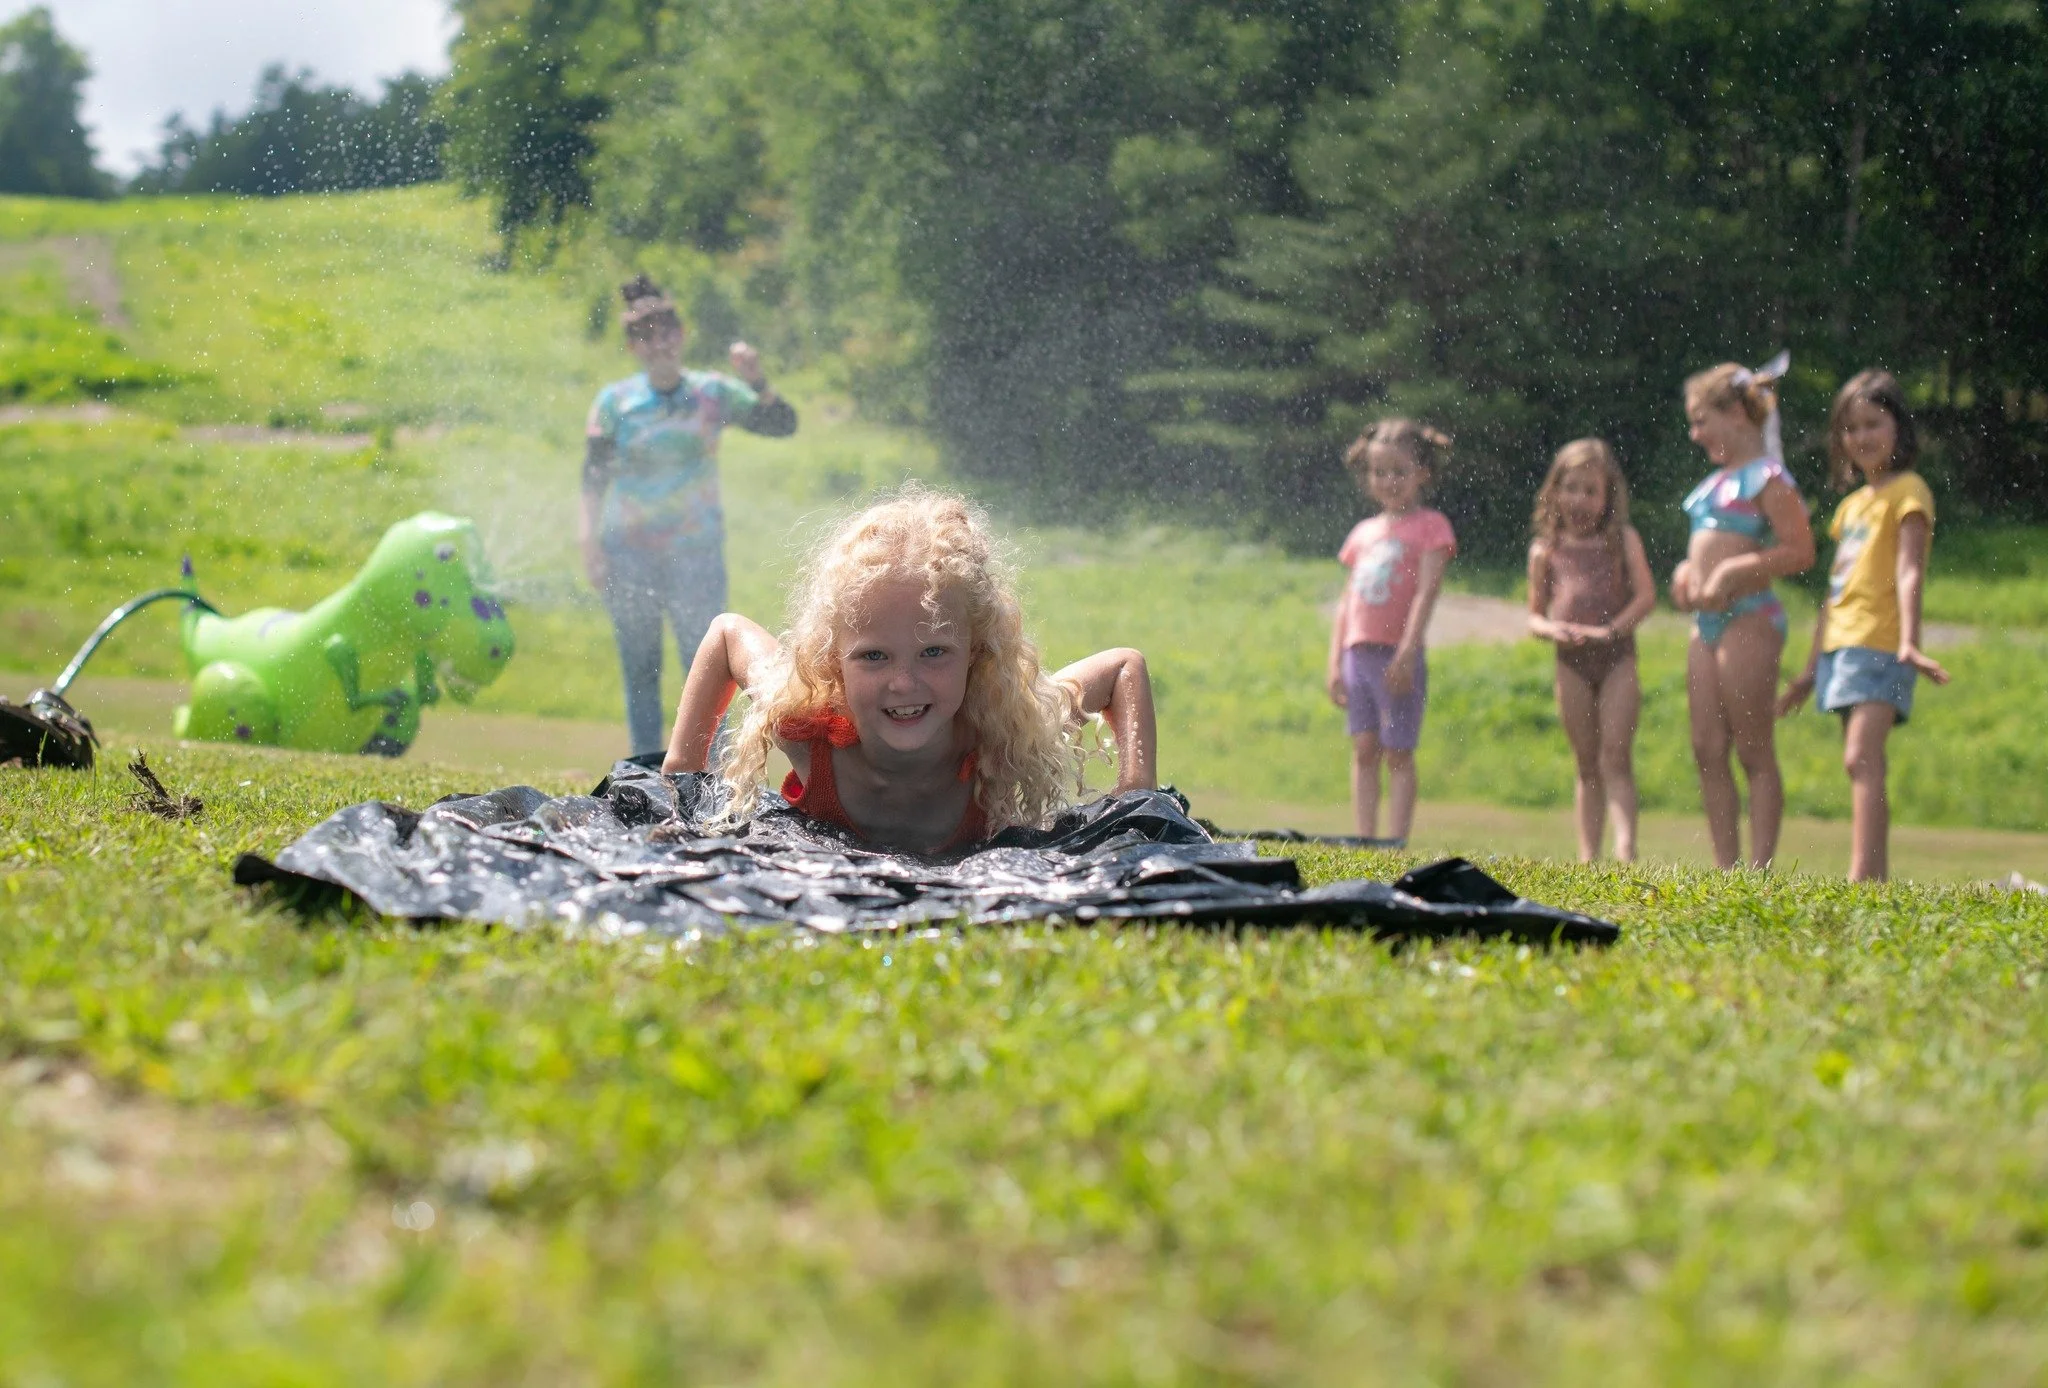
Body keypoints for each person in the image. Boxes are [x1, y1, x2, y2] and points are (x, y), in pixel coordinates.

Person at [660, 486, 1157, 856]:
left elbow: (1122, 668)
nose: (904, 682)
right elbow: (727, 634)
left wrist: (1135, 801)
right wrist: (680, 780)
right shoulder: (808, 734)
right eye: (874, 657)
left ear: (976, 655)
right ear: (834, 662)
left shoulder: (1005, 734)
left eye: (934, 652)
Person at [581, 274, 799, 756]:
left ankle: (710, 778)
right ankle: (639, 771)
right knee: (640, 664)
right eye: (645, 336)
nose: (657, 344)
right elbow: (593, 476)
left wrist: (756, 379)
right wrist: (588, 542)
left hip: (695, 555)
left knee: (705, 665)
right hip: (628, 552)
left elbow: (782, 424)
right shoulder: (614, 402)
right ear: (632, 346)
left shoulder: (713, 393)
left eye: (665, 333)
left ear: (680, 337)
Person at [1777, 370, 1949, 882]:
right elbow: (1835, 591)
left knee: (1860, 756)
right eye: (1850, 429)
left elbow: (1910, 569)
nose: (1861, 438)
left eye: (1873, 423)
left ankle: (1864, 879)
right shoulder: (1851, 508)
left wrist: (1910, 643)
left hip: (1880, 643)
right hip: (1842, 646)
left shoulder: (1909, 493)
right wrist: (1810, 669)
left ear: (1899, 428)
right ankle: (1873, 877)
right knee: (1860, 762)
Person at [1670, 357, 1816, 869]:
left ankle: (1760, 870)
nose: (1694, 433)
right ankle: (1725, 868)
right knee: (1707, 746)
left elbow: (1800, 550)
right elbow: (1701, 551)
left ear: (1734, 412)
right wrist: (1686, 574)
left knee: (1752, 746)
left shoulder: (1768, 479)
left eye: (1700, 419)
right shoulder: (1713, 486)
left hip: (1750, 617)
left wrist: (1735, 574)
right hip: (1705, 625)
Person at [1325, 419, 1457, 845]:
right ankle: (1365, 837)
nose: (1389, 480)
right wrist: (1334, 663)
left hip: (1398, 656)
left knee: (1398, 750)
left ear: (1423, 473)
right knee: (1364, 749)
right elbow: (1347, 603)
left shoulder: (1432, 527)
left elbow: (1426, 593)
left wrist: (1406, 651)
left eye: (1399, 471)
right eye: (1380, 472)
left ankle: (1395, 840)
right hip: (1356, 655)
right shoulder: (1362, 533)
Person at [1526, 438, 1656, 862]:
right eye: (1571, 488)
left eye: (1590, 491)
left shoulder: (1623, 540)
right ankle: (1587, 855)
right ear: (1555, 491)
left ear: (1607, 496)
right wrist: (1553, 629)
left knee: (1615, 754)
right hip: (1570, 661)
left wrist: (1613, 631)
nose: (1579, 499)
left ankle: (1626, 848)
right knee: (1586, 761)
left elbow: (1646, 598)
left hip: (1618, 657)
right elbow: (1534, 615)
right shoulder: (1546, 549)